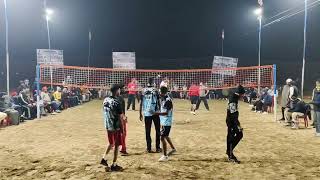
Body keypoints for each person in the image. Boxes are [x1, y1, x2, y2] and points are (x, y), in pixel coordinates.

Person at [100, 84, 125, 171]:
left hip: (108, 125)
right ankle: (114, 165)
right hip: (115, 126)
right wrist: (122, 129)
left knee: (111, 143)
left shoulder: (105, 100)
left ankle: (104, 158)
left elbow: (104, 111)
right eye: (119, 90)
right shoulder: (117, 102)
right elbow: (120, 117)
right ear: (117, 91)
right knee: (117, 144)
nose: (120, 91)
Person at [139, 78, 162, 153]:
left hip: (147, 113)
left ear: (147, 82)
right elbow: (159, 101)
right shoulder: (156, 90)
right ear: (153, 82)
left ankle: (148, 148)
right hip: (155, 113)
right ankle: (158, 148)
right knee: (157, 130)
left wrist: (140, 113)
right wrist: (160, 111)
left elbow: (141, 102)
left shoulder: (143, 90)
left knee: (147, 131)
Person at [155, 86, 176, 162]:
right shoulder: (163, 99)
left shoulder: (168, 101)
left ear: (163, 92)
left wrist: (156, 113)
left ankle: (165, 156)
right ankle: (173, 149)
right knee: (166, 136)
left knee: (162, 137)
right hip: (163, 121)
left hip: (167, 122)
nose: (159, 93)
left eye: (160, 92)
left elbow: (166, 113)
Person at [226, 85, 245, 164]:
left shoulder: (234, 96)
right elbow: (233, 114)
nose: (243, 96)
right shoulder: (233, 100)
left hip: (231, 119)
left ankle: (229, 152)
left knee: (236, 135)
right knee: (235, 136)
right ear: (239, 93)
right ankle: (230, 154)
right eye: (242, 94)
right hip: (232, 120)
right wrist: (238, 125)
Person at [118, 84, 129, 155]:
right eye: (124, 88)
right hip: (120, 117)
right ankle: (123, 149)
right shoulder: (120, 98)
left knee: (118, 133)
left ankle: (119, 146)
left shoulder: (112, 98)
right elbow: (120, 110)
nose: (125, 89)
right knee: (123, 133)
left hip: (114, 118)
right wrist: (124, 117)